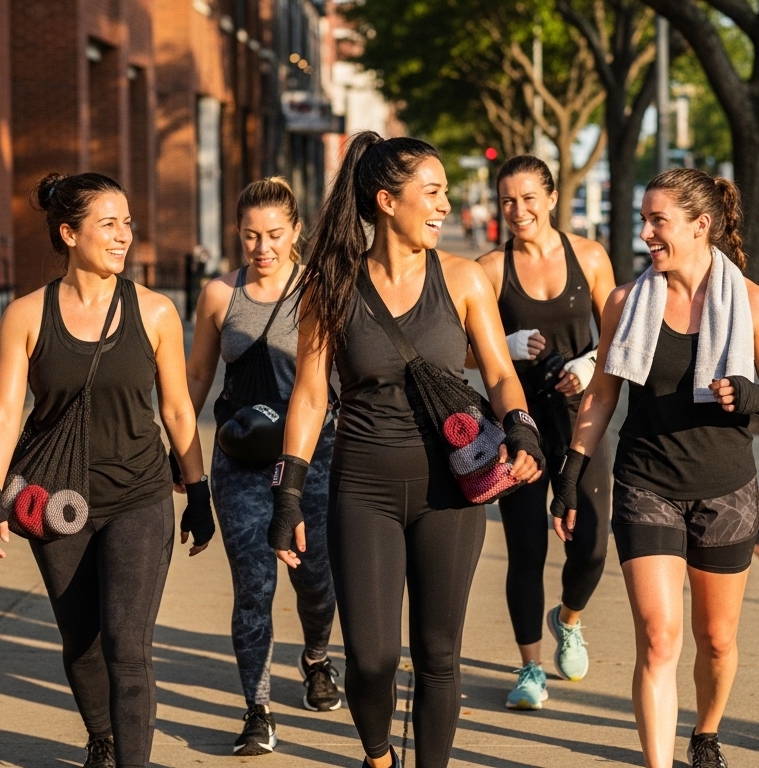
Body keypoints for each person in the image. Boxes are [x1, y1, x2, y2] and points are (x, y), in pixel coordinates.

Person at [269, 131, 544, 768]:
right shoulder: (332, 285)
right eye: (434, 191)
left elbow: (500, 373)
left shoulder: (466, 279)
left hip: (451, 488)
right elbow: (310, 396)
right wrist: (288, 494)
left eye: (446, 191)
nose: (446, 205)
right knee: (370, 658)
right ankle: (377, 756)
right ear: (387, 200)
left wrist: (523, 426)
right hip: (361, 486)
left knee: (439, 655)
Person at [555, 169, 759, 768]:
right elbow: (603, 396)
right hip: (646, 483)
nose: (645, 233)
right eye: (644, 219)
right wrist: (571, 471)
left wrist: (755, 397)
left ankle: (706, 732)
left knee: (716, 641)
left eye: (657, 220)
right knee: (659, 639)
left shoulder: (753, 303)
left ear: (700, 225)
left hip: (726, 488)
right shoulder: (625, 304)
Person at [0, 172, 215, 768]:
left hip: (140, 493)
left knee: (127, 647)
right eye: (108, 223)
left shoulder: (156, 312)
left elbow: (178, 408)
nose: (123, 236)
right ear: (68, 233)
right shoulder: (26, 316)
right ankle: (103, 737)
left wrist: (200, 491)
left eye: (127, 222)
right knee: (81, 643)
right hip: (57, 502)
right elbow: (6, 411)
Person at [184, 178, 340, 756]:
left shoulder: (319, 290)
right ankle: (258, 708)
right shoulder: (218, 295)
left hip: (313, 459)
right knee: (253, 586)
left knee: (314, 578)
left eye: (274, 234)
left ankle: (318, 658)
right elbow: (197, 376)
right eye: (251, 235)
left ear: (296, 230)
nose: (262, 246)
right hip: (240, 464)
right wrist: (182, 450)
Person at [474, 155, 617, 710]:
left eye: (529, 197)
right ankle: (530, 667)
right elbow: (462, 346)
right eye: (508, 200)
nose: (519, 210)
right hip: (518, 428)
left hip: (582, 420)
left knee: (592, 545)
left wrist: (586, 366)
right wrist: (504, 347)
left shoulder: (589, 257)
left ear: (552, 198)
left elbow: (618, 337)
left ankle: (570, 618)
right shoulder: (489, 269)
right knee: (526, 548)